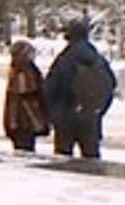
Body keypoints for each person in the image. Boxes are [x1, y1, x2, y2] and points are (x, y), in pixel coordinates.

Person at [44, 19, 118, 158]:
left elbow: (51, 88)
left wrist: (53, 113)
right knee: (91, 156)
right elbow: (111, 83)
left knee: (63, 159)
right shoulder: (97, 58)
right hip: (90, 116)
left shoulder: (65, 59)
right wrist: (97, 109)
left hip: (66, 115)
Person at [2, 40, 50, 153]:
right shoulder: (24, 71)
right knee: (25, 150)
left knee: (23, 149)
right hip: (24, 122)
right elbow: (25, 95)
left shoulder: (17, 70)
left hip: (19, 122)